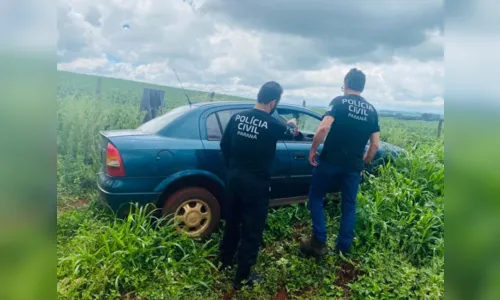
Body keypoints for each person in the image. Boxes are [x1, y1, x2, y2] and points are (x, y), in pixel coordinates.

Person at [219, 81, 295, 289]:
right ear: (272, 103)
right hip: (256, 184)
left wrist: (233, 167)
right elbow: (291, 133)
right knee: (252, 229)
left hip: (234, 179)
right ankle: (242, 278)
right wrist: (293, 123)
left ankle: (224, 260)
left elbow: (224, 145)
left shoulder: (236, 118)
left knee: (232, 222)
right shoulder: (273, 125)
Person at [300, 68, 381, 258]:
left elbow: (324, 128)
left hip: (329, 161)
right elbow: (375, 144)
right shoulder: (372, 111)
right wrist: (364, 161)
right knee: (349, 205)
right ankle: (343, 248)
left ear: (345, 83)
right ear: (362, 86)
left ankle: (319, 241)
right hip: (353, 167)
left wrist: (313, 150)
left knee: (316, 197)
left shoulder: (338, 102)